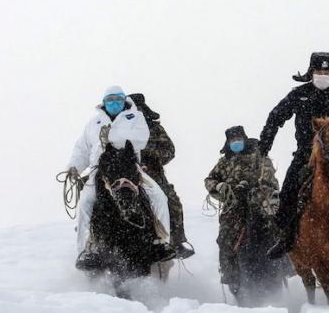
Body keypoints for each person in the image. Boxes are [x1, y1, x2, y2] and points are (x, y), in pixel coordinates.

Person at [260, 52, 329, 258]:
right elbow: (275, 117)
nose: (323, 75)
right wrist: (265, 145)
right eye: (319, 71)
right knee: (289, 191)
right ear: (312, 72)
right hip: (305, 155)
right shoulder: (299, 94)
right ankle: (286, 238)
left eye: (327, 71)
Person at [65, 86, 174, 270]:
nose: (114, 103)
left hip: (129, 167)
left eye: (118, 99)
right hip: (100, 169)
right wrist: (74, 167)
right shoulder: (94, 122)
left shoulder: (135, 117)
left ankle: (161, 242)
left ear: (124, 101)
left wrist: (112, 138)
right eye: (110, 100)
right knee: (85, 204)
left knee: (159, 198)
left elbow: (141, 138)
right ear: (104, 102)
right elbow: (82, 148)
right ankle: (85, 250)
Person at [205, 126, 280, 287]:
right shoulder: (224, 162)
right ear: (228, 142)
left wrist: (254, 187)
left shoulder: (259, 154)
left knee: (276, 225)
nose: (236, 142)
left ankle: (285, 266)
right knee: (225, 236)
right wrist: (220, 187)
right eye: (232, 140)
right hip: (234, 204)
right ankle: (230, 275)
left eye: (239, 139)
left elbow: (268, 176)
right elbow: (210, 179)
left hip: (260, 199)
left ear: (244, 139)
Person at [130, 93, 194, 259]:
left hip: (153, 175)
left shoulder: (155, 129)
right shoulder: (119, 128)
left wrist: (153, 156)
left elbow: (170, 150)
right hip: (125, 174)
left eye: (138, 108)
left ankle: (177, 241)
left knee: (172, 201)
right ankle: (92, 243)